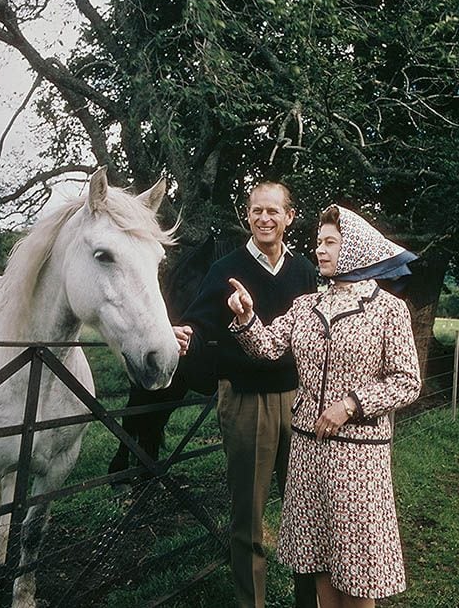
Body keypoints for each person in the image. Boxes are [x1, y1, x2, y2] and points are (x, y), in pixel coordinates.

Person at [227, 204, 421, 608]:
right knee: (318, 564)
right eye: (318, 242)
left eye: (331, 242)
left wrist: (350, 404)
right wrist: (247, 318)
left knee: (357, 572)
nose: (320, 250)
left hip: (359, 460)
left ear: (355, 248)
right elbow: (266, 347)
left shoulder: (388, 309)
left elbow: (407, 382)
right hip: (307, 453)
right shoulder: (305, 305)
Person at [174, 181, 318, 608]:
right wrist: (188, 337)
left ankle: (307, 601)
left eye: (273, 211)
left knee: (305, 513)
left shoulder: (306, 271)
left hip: (299, 400)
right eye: (256, 211)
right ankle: (250, 602)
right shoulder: (226, 269)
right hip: (246, 402)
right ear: (248, 216)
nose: (264, 219)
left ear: (289, 217)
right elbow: (200, 325)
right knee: (248, 518)